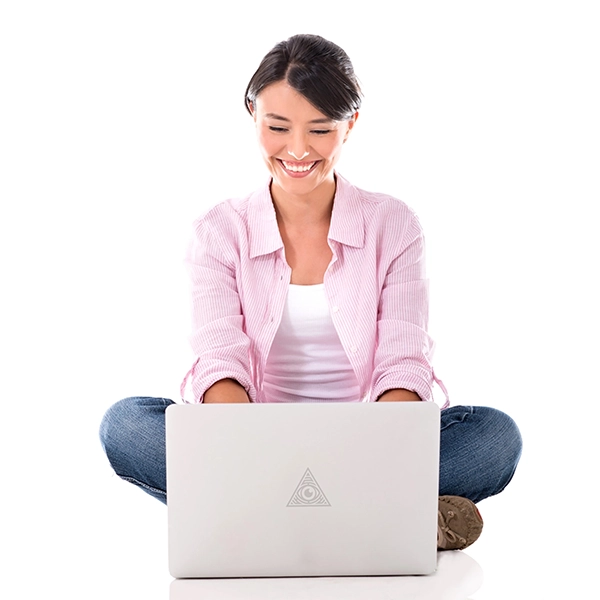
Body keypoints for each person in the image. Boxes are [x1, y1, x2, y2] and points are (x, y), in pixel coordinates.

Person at [99, 34, 522, 551]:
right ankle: (380, 518)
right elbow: (219, 362)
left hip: (367, 444)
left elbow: (402, 361)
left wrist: (369, 450)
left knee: (494, 437)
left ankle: (258, 518)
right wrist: (266, 456)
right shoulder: (219, 230)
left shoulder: (393, 224)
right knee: (126, 425)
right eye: (278, 128)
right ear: (252, 115)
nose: (297, 150)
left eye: (320, 130)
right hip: (252, 443)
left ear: (351, 125)